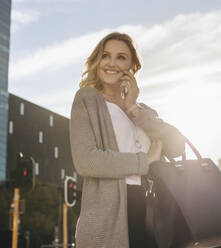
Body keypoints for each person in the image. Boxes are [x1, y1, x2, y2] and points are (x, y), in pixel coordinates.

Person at [69, 32, 185, 248]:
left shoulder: (144, 110)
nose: (111, 63)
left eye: (121, 57)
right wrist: (144, 161)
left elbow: (177, 146)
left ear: (132, 66)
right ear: (97, 61)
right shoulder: (87, 99)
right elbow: (86, 160)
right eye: (105, 56)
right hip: (110, 216)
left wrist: (134, 108)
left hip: (154, 209)